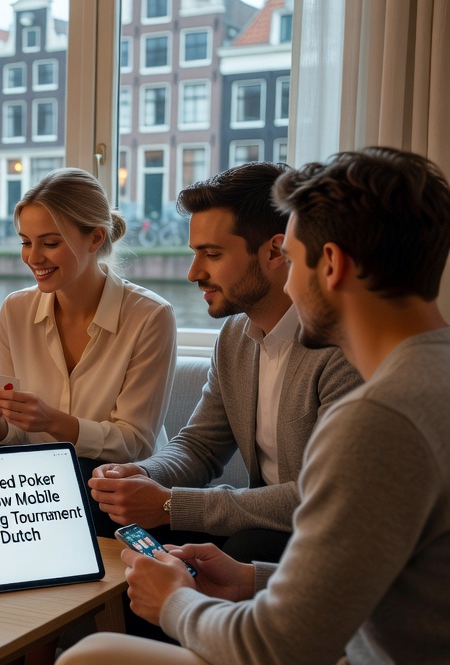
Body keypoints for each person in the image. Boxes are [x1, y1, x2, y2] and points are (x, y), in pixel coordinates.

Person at [50, 146, 450, 665]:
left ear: (332, 265)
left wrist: (176, 601)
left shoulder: (379, 416)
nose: (289, 278)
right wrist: (246, 581)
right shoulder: (431, 373)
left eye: (292, 258)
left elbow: (279, 656)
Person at [0, 168, 177, 665]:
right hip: (40, 470)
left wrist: (60, 424)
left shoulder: (150, 317)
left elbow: (138, 441)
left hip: (121, 475)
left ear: (95, 239)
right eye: (26, 242)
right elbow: (8, 434)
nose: (34, 257)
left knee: (68, 474)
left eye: (50, 242)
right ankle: (1, 657)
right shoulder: (15, 310)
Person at [87, 163, 361, 564]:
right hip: (255, 525)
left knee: (251, 547)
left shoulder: (342, 351)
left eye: (211, 254)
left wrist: (170, 505)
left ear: (274, 251)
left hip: (324, 536)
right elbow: (200, 446)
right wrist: (145, 476)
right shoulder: (235, 336)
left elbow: (321, 496)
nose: (194, 272)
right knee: (103, 509)